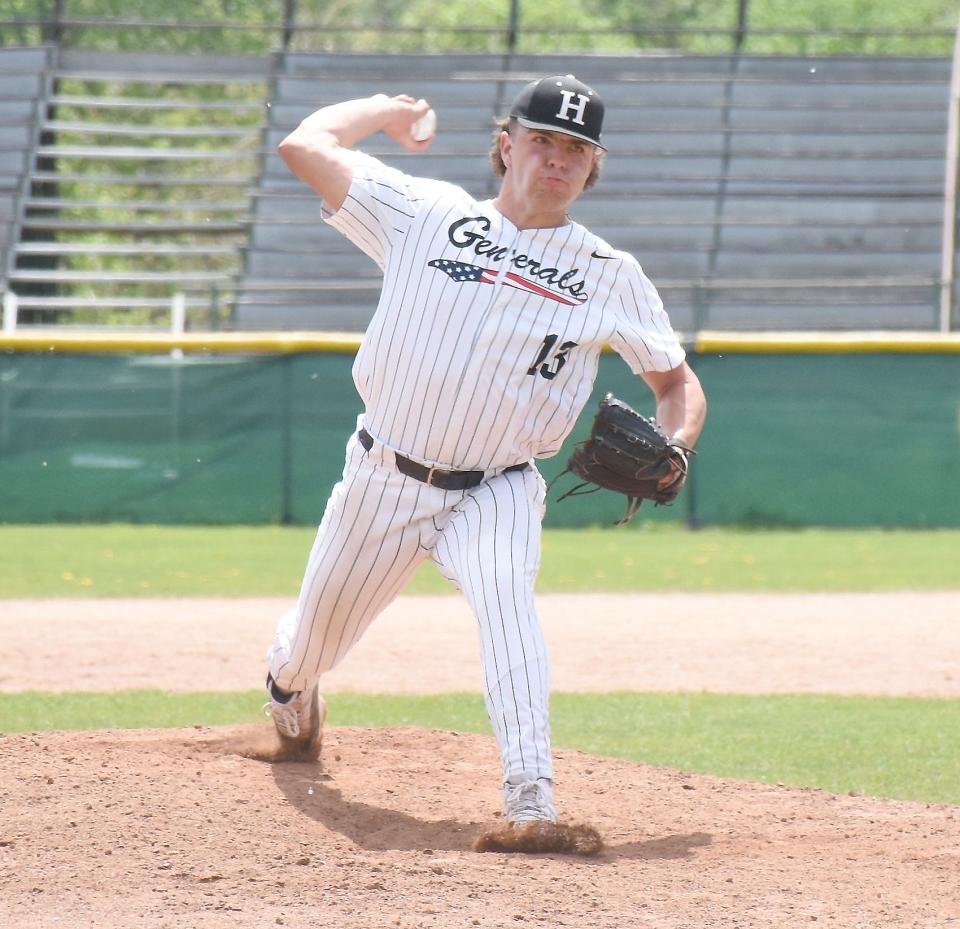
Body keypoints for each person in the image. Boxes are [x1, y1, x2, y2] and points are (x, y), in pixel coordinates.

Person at [265, 75, 707, 832]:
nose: (558, 159)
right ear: (508, 147)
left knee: (508, 605)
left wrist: (677, 444)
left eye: (577, 148)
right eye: (543, 140)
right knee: (310, 647)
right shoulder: (424, 213)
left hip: (497, 486)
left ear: (592, 167)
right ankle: (290, 694)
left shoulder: (610, 274)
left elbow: (677, 383)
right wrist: (390, 113)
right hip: (384, 477)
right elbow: (304, 145)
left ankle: (532, 799)